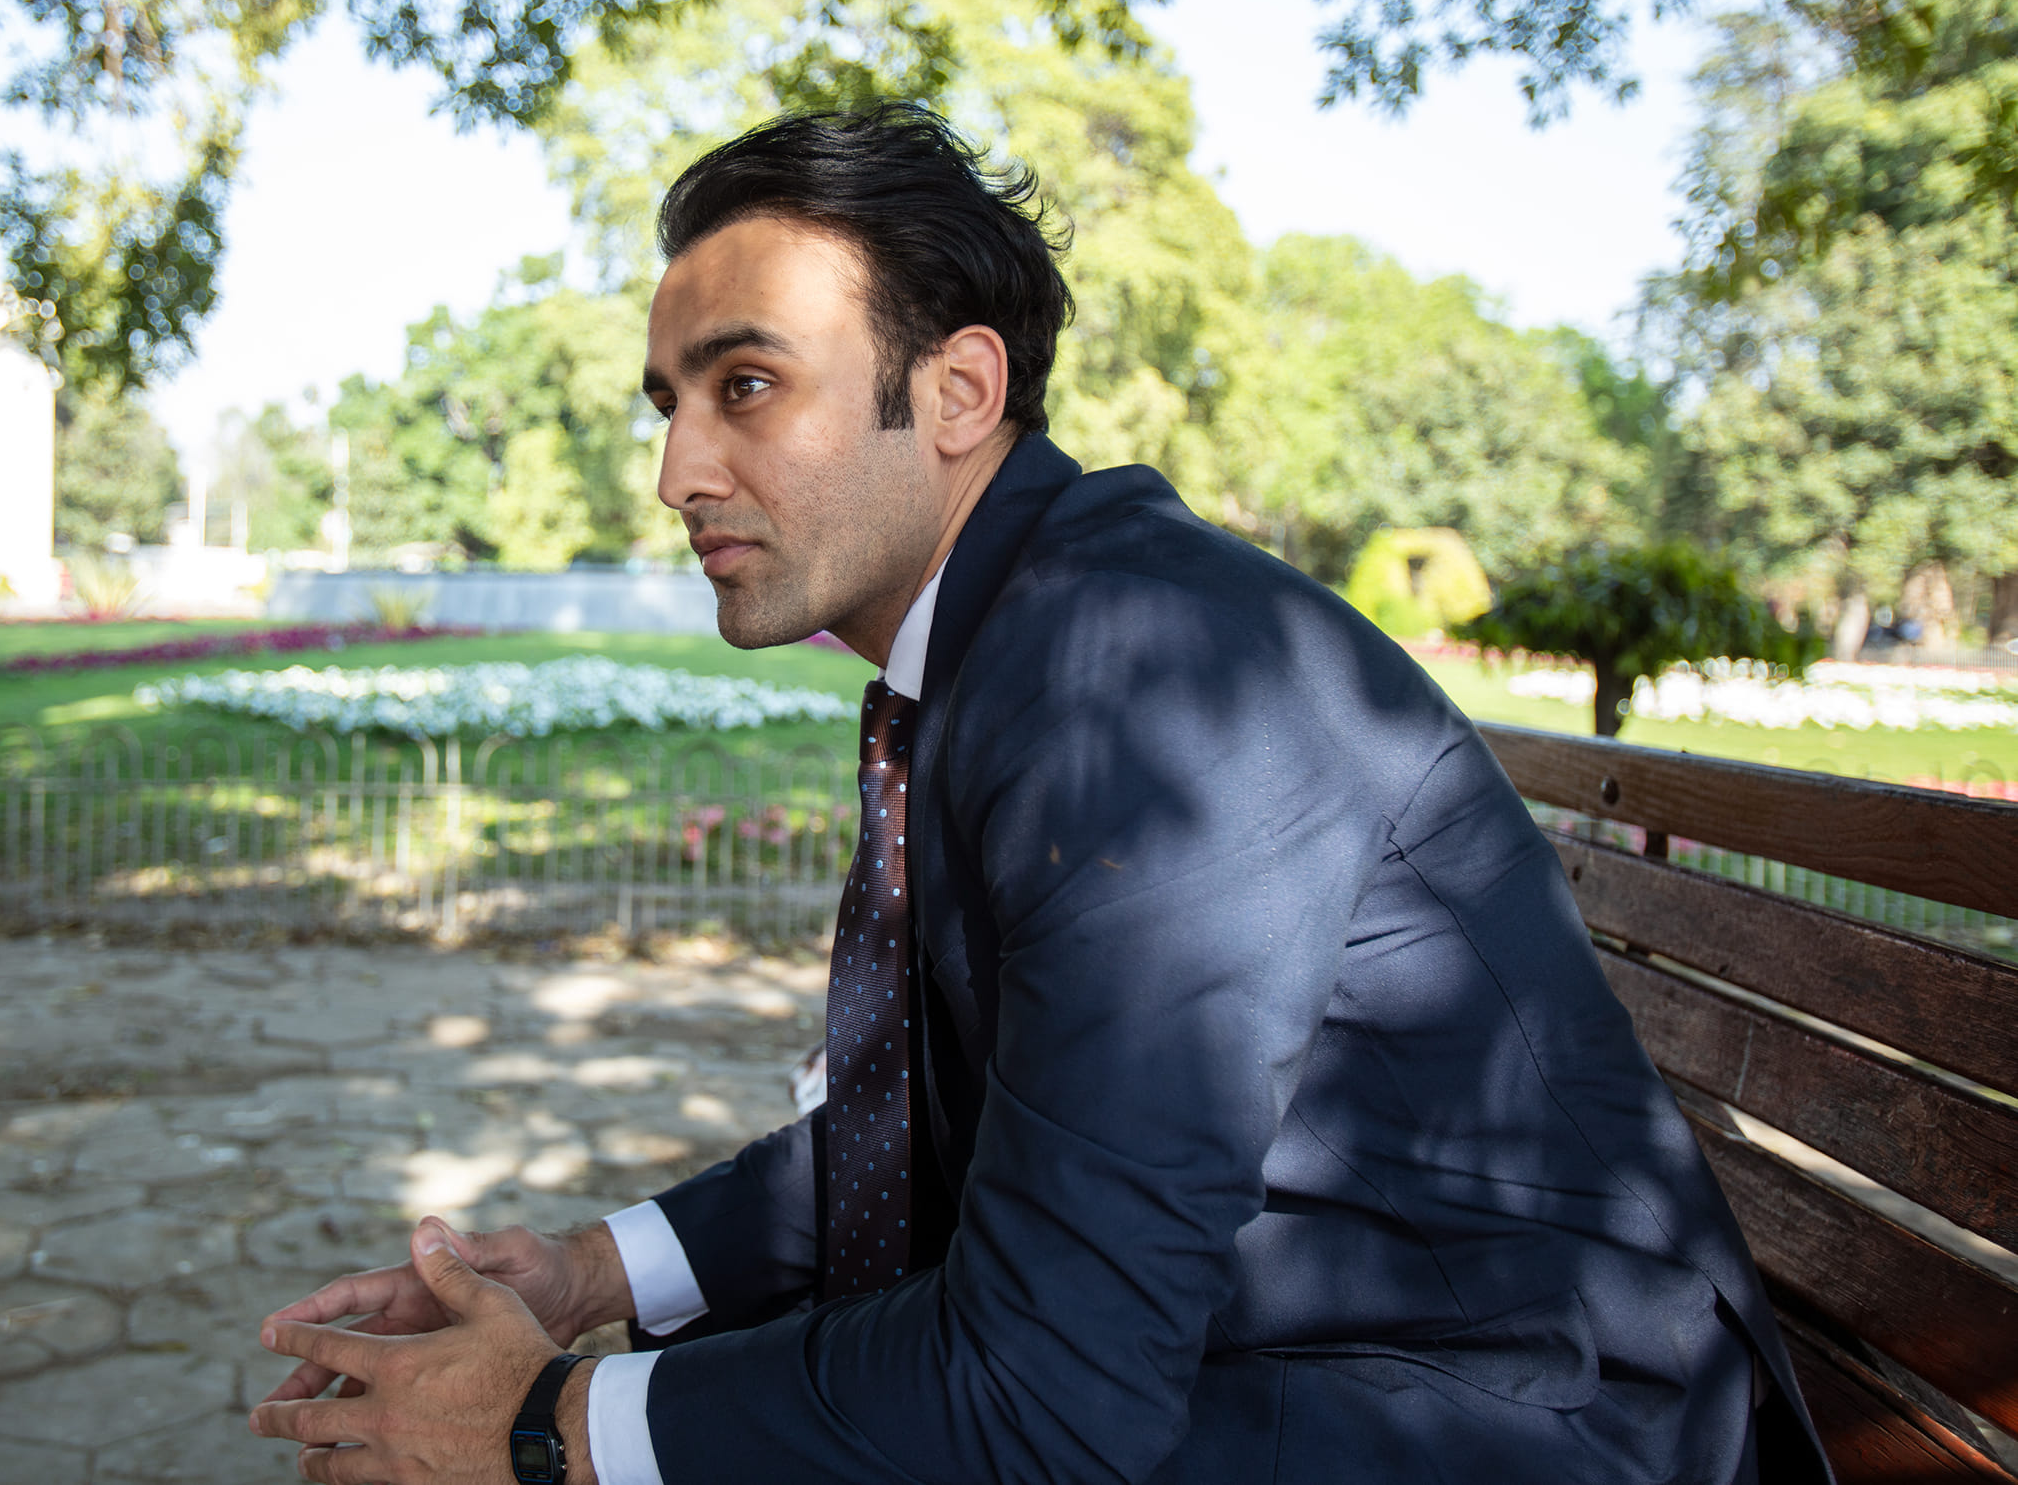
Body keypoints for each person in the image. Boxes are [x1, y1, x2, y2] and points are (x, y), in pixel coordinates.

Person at [246, 105, 1828, 1485]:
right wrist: (586, 1276)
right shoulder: (1025, 643)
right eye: (668, 402)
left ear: (955, 393)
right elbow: (936, 1143)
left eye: (745, 385)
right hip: (1295, 1354)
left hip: (1522, 1426)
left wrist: (551, 1428)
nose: (677, 473)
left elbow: (1042, 1403)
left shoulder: (1151, 680)